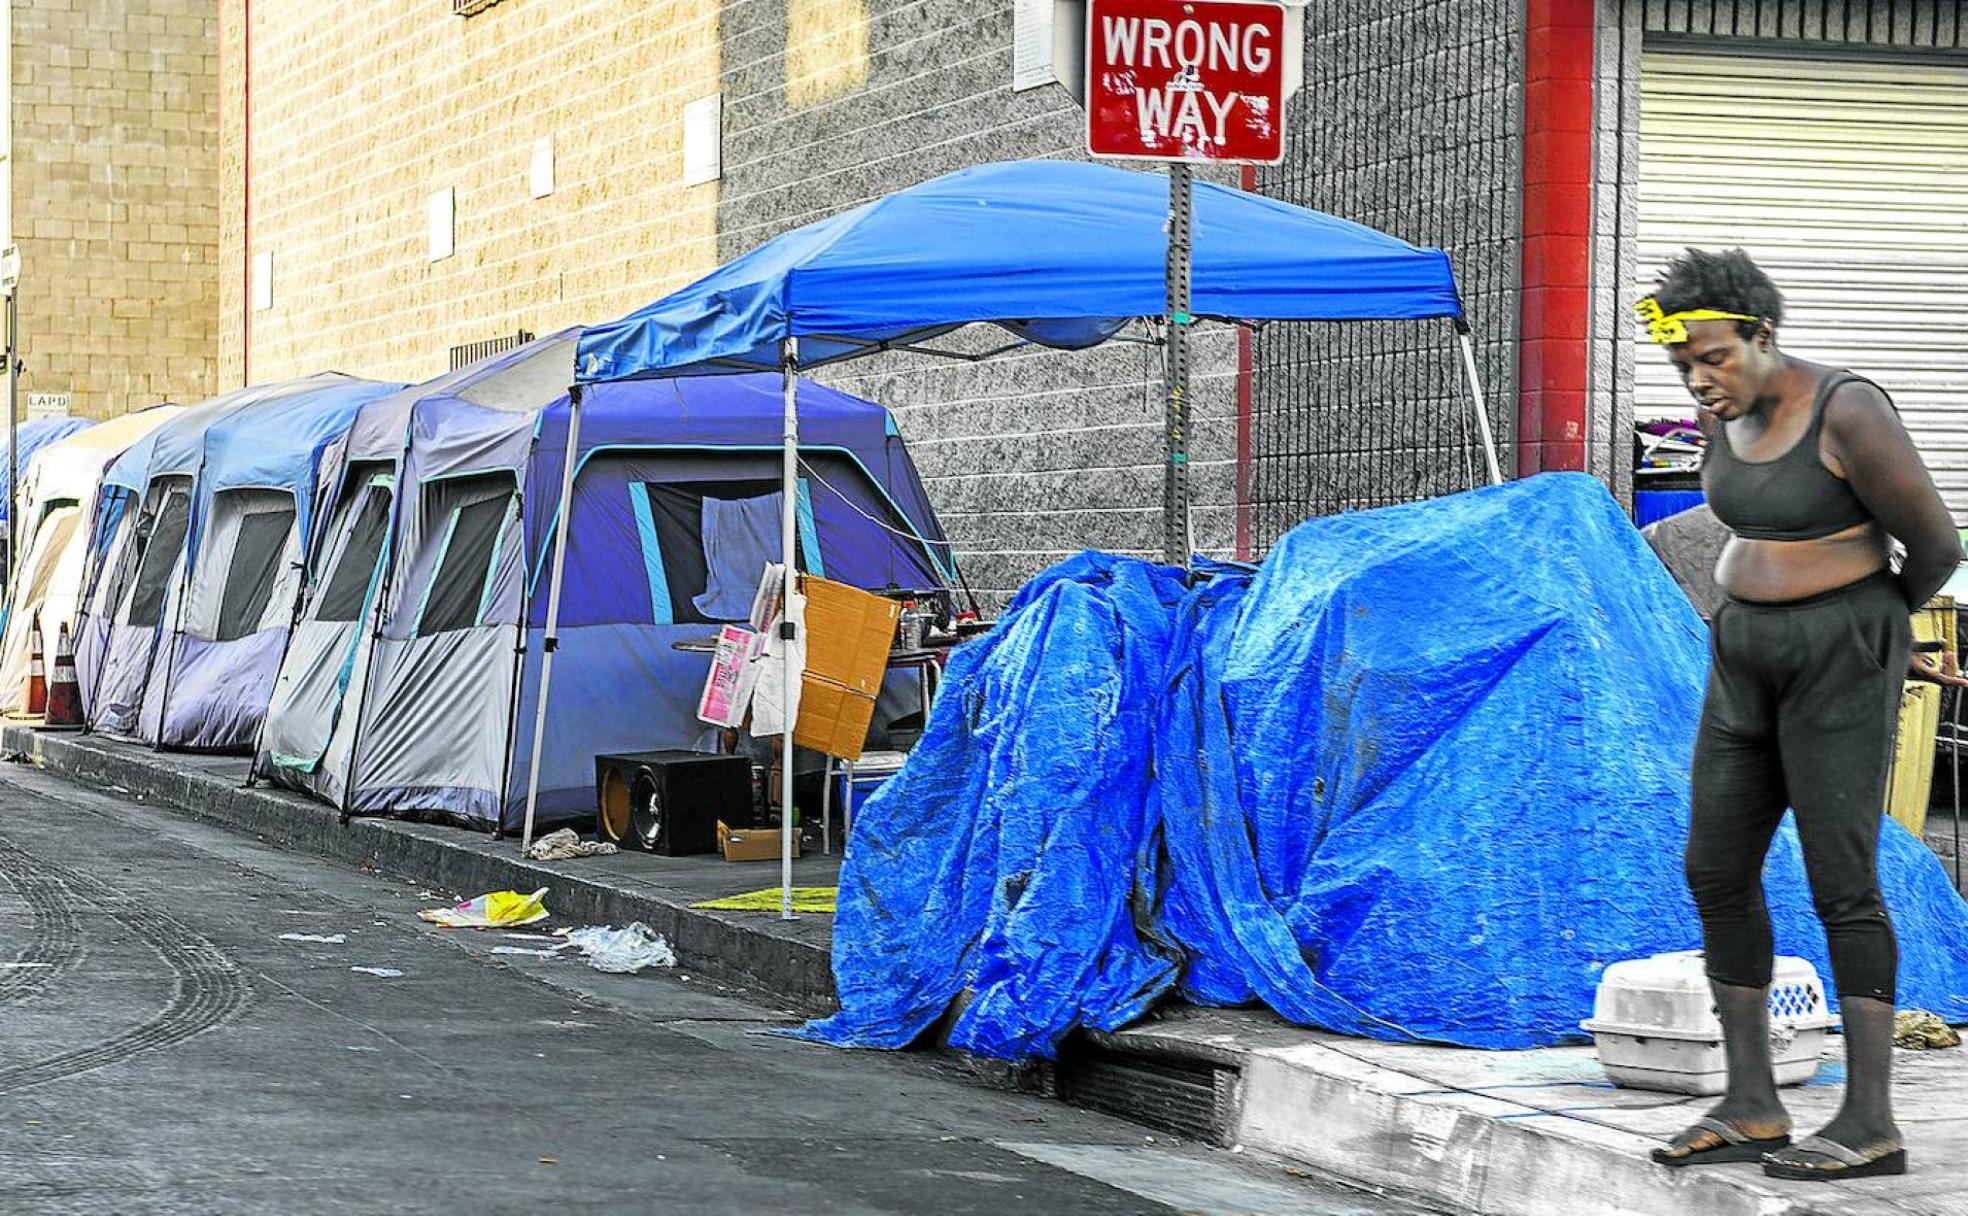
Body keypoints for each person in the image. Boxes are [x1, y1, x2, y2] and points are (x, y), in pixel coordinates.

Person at [1638, 248, 1963, 1182]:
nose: (1699, 380)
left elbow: (1933, 542)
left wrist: (1873, 623)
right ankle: (1750, 1104)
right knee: (1715, 864)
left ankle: (1870, 1123)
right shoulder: (1722, 416)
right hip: (1743, 655)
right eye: (1683, 367)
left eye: (1713, 359)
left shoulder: (1846, 408)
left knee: (1841, 879)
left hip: (1840, 653)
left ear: (1763, 336)